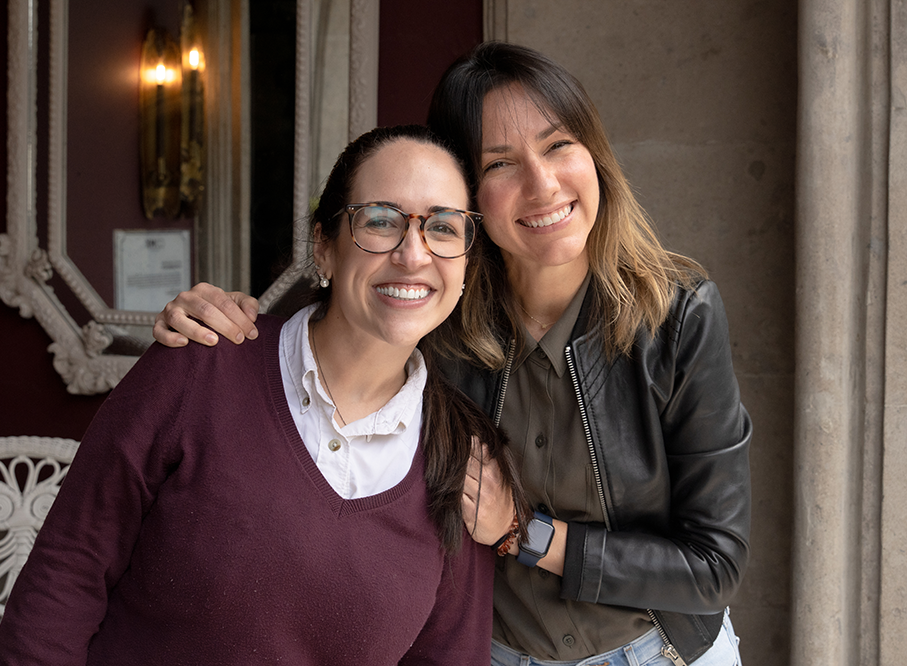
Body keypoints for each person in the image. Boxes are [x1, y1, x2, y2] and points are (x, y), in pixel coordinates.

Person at [152, 42, 751, 666]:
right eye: (499, 164)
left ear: (594, 153)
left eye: (558, 145)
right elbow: (323, 326)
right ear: (462, 195)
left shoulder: (677, 316)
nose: (542, 185)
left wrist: (528, 535)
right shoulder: (429, 314)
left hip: (659, 654)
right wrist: (217, 320)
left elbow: (714, 566)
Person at [0, 124, 530, 666]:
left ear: (465, 264)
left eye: (443, 227)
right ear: (324, 247)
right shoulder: (202, 361)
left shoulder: (463, 455)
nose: (413, 254)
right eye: (382, 221)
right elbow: (68, 573)